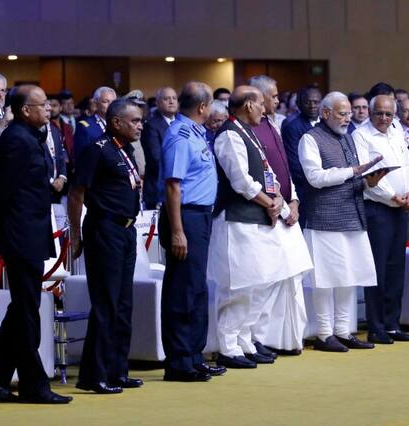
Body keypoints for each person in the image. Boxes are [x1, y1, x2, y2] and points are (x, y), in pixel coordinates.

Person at [208, 86, 312, 368]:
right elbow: (241, 181)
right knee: (238, 288)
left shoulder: (249, 132)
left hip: (259, 220)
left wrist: (280, 200)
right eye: (261, 104)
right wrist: (270, 202)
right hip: (237, 221)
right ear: (248, 105)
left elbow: (267, 173)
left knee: (258, 284)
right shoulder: (230, 134)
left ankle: (245, 341)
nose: (265, 109)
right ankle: (228, 347)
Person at [0, 85, 72, 404]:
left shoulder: (30, 137)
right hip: (20, 234)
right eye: (42, 104)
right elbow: (3, 193)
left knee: (23, 307)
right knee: (26, 310)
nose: (48, 108)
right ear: (25, 110)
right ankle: (33, 384)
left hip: (31, 231)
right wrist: (5, 235)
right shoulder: (16, 141)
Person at [68, 99, 144, 394]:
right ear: (116, 122)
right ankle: (93, 375)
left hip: (126, 231)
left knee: (124, 305)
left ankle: (117, 370)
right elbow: (76, 194)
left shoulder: (125, 149)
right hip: (104, 229)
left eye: (140, 120)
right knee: (106, 304)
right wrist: (76, 235)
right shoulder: (96, 149)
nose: (140, 126)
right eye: (134, 121)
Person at [299, 91, 382, 352]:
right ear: (326, 113)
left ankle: (344, 331)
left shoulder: (348, 138)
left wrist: (369, 181)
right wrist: (352, 172)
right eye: (342, 114)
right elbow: (315, 177)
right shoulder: (310, 139)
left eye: (349, 114)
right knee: (325, 279)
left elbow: (354, 176)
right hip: (324, 218)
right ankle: (324, 334)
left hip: (353, 214)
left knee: (349, 276)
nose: (348, 119)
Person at [158, 82, 226, 382]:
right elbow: (173, 186)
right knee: (183, 289)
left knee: (197, 287)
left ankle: (195, 356)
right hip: (185, 217)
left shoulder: (197, 133)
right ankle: (179, 360)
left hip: (201, 216)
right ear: (202, 107)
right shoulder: (181, 135)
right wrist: (177, 231)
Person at [248, 75, 308, 355]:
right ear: (258, 98)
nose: (276, 100)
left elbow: (284, 169)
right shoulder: (249, 130)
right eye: (272, 96)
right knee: (267, 280)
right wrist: (280, 204)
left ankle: (285, 339)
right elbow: (257, 176)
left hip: (286, 208)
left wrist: (293, 201)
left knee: (289, 277)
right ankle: (258, 339)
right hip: (267, 212)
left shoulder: (273, 124)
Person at [352, 95, 409, 344]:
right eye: (379, 113)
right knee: (377, 269)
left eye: (388, 114)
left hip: (401, 208)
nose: (383, 118)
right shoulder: (361, 135)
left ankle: (392, 324)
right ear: (370, 113)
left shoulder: (397, 131)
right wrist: (393, 196)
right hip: (378, 209)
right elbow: (367, 173)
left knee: (395, 268)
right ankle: (376, 326)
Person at [281, 86, 322, 226]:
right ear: (299, 104)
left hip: (324, 187)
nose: (312, 106)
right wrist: (320, 179)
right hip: (304, 188)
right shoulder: (292, 126)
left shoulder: (325, 123)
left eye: (316, 102)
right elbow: (294, 163)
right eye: (308, 102)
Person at [141, 86, 178, 209]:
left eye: (174, 98)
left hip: (179, 187)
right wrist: (179, 173)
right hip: (158, 187)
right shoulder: (151, 125)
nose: (171, 101)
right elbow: (155, 158)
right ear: (157, 103)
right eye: (166, 99)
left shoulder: (181, 123)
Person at [74, 86, 116, 163]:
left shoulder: (119, 124)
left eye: (113, 102)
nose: (110, 105)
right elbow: (79, 157)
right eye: (105, 101)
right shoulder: (85, 126)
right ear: (96, 104)